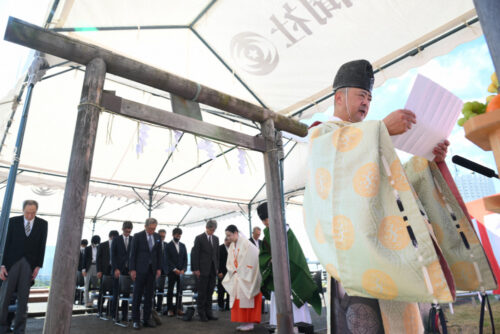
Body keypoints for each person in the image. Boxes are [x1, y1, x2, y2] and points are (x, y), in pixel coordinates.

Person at [308, 59, 449, 333]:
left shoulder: (370, 136)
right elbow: (340, 168)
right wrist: (382, 128)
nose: (366, 103)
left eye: (370, 98)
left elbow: (395, 185)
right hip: (357, 255)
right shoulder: (322, 134)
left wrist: (429, 160)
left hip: (391, 252)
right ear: (339, 97)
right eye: (361, 95)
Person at [257, 202, 322, 327]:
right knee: (279, 311)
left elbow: (296, 257)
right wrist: (270, 260)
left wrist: (280, 260)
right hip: (277, 278)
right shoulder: (267, 235)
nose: (265, 222)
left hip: (294, 278)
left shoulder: (287, 232)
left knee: (297, 313)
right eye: (263, 220)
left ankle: (300, 328)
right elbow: (263, 255)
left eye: (266, 218)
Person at [0, 200, 47, 334]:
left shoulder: (43, 224)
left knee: (23, 301)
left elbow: (42, 245)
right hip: (10, 264)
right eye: (27, 212)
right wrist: (1, 265)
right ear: (22, 210)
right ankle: (2, 328)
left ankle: (20, 330)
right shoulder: (12, 221)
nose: (30, 216)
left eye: (33, 213)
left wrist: (38, 266)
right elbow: (4, 243)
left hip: (29, 265)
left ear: (36, 211)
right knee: (4, 299)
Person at [129, 218, 162, 330]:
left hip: (152, 271)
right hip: (139, 271)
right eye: (150, 228)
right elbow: (132, 254)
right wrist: (132, 270)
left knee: (149, 297)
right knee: (137, 296)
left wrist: (158, 268)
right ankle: (136, 320)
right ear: (145, 226)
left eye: (154, 228)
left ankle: (147, 319)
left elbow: (159, 254)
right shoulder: (137, 236)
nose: (152, 230)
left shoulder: (157, 237)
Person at [191, 219, 219, 322]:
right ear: (207, 228)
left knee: (210, 292)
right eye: (211, 229)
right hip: (202, 270)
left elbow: (217, 255)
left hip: (212, 270)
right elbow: (195, 254)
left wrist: (217, 268)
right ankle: (201, 313)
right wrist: (196, 269)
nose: (213, 232)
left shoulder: (216, 239)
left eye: (214, 230)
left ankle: (209, 312)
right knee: (202, 293)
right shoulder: (199, 238)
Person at [111, 221, 133, 324]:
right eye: (126, 231)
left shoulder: (133, 239)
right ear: (122, 229)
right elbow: (113, 256)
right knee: (116, 294)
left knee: (126, 294)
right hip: (118, 270)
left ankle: (125, 316)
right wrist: (115, 269)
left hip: (128, 271)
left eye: (129, 231)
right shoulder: (116, 240)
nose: (128, 233)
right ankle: (114, 315)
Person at [96, 230, 119, 317]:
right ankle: (100, 310)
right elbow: (98, 259)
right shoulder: (102, 245)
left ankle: (110, 310)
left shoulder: (117, 245)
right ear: (111, 237)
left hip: (114, 269)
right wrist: (99, 270)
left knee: (113, 290)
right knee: (102, 290)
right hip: (104, 269)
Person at [165, 227, 187, 317]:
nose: (179, 237)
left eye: (180, 235)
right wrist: (175, 269)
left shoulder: (183, 245)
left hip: (181, 273)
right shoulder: (168, 245)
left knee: (180, 291)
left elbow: (185, 259)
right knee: (170, 291)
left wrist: (183, 269)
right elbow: (167, 259)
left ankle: (179, 308)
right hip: (172, 272)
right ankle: (170, 309)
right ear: (173, 235)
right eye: (177, 235)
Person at [83, 234, 101, 308]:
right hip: (88, 267)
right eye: (95, 243)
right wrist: (83, 269)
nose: (96, 244)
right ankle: (87, 302)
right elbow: (84, 259)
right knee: (86, 285)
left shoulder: (99, 247)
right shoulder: (87, 248)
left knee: (95, 285)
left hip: (97, 266)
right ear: (92, 242)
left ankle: (91, 301)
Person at [155, 229, 168, 313]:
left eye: (164, 236)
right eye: (161, 236)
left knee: (161, 290)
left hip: (164, 271)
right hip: (155, 269)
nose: (162, 238)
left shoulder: (167, 244)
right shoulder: (154, 244)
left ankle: (159, 307)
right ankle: (153, 307)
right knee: (152, 289)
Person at [217, 237, 230, 311]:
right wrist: (218, 272)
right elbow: (217, 261)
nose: (229, 243)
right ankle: (221, 305)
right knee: (221, 290)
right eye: (228, 242)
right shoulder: (219, 248)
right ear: (225, 241)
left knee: (229, 290)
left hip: (230, 272)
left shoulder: (232, 248)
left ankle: (228, 305)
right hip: (221, 272)